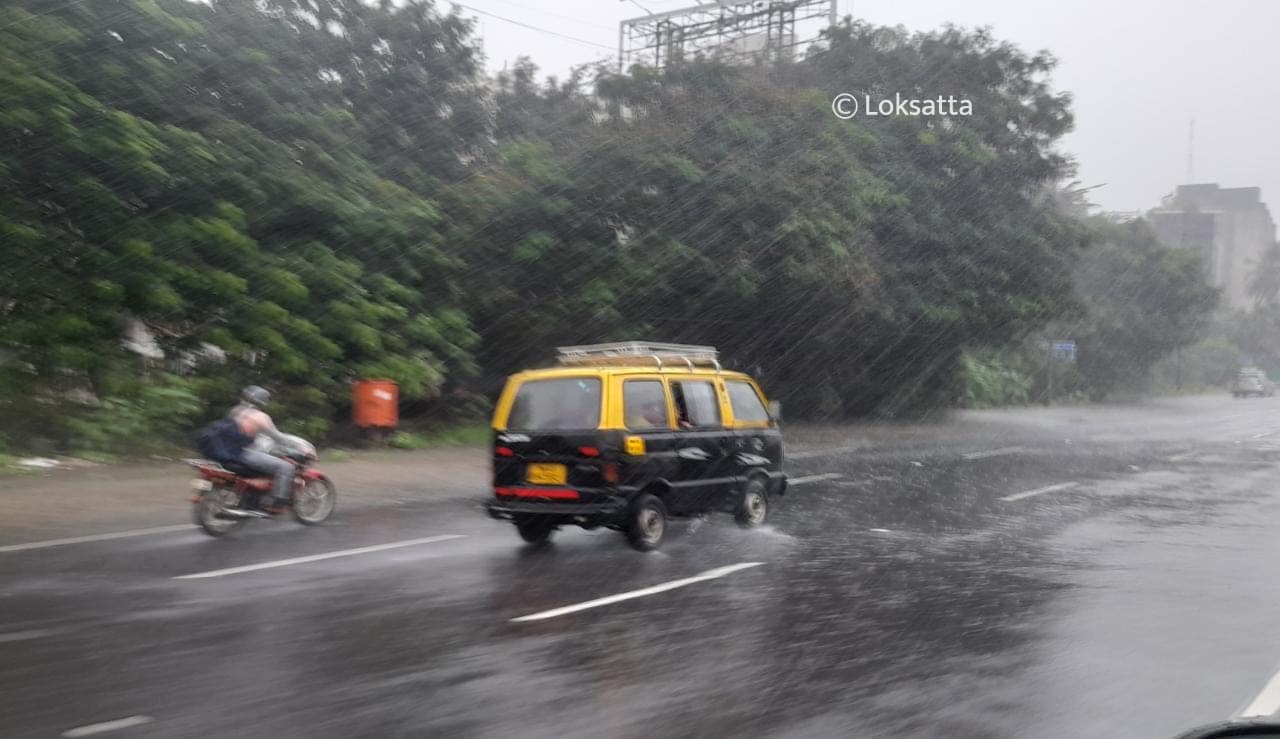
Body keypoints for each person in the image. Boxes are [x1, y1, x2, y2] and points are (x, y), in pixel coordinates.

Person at [200, 385, 295, 512]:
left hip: (223, 454)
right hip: (241, 454)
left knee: (264, 466)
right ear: (263, 401)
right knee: (286, 467)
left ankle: (253, 500)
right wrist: (297, 447)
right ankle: (278, 503)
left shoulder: (235, 411)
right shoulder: (260, 416)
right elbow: (278, 438)